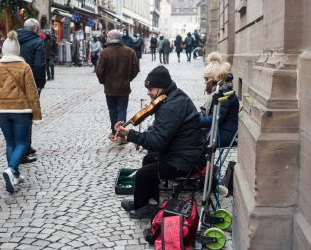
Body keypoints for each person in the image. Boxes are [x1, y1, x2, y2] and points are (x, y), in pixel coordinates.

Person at [116, 66, 206, 219]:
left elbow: (158, 142)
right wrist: (136, 135)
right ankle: (146, 202)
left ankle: (145, 207)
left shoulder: (171, 106)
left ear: (160, 87)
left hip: (186, 159)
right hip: (186, 150)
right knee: (149, 158)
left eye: (150, 89)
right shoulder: (174, 97)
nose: (149, 93)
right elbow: (160, 130)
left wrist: (131, 135)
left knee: (143, 174)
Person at [0, 31, 42, 194]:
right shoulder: (24, 67)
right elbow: (32, 93)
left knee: (10, 143)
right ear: (17, 51)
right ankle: (11, 169)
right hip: (21, 110)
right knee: (22, 143)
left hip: (1, 111)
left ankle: (15, 175)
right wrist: (37, 115)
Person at [96, 29, 139, 143]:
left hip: (110, 88)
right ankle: (120, 134)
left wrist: (103, 81)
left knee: (112, 110)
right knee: (122, 109)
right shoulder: (130, 52)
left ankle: (114, 131)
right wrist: (127, 79)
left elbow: (100, 71)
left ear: (110, 38)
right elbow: (136, 69)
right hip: (124, 87)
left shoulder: (105, 52)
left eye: (108, 36)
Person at [17, 18, 45, 160]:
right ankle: (25, 149)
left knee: (18, 115)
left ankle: (24, 146)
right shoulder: (37, 42)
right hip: (30, 83)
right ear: (35, 29)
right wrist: (40, 84)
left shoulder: (14, 40)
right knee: (28, 116)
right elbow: (39, 65)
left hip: (13, 82)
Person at [200, 52, 239, 147]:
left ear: (214, 79)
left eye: (207, 79)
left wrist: (193, 118)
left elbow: (212, 120)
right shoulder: (218, 91)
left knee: (186, 138)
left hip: (223, 135)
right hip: (218, 131)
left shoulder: (223, 95)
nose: (205, 82)